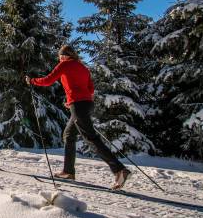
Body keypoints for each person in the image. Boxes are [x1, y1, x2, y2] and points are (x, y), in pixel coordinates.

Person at [24, 44, 131, 190]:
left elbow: (48, 80)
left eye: (61, 55)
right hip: (86, 104)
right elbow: (90, 89)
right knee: (68, 135)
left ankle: (119, 169)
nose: (60, 58)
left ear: (66, 55)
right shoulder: (83, 68)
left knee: (91, 138)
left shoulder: (64, 65)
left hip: (79, 105)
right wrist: (73, 102)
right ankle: (68, 171)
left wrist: (32, 81)